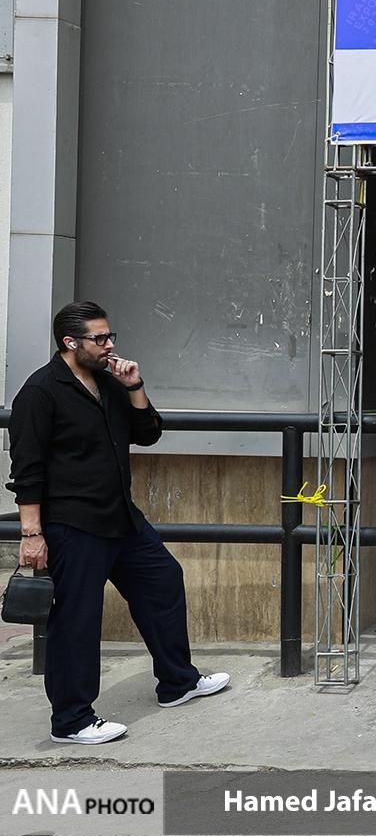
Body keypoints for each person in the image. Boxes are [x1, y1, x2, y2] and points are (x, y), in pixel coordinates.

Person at [7, 302, 231, 745]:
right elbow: (27, 470)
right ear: (70, 343)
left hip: (121, 517)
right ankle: (71, 720)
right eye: (100, 338)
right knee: (77, 619)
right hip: (73, 524)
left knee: (164, 580)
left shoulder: (109, 382)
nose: (109, 345)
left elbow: (148, 433)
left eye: (111, 336)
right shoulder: (40, 392)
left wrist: (134, 387)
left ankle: (177, 682)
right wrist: (31, 534)